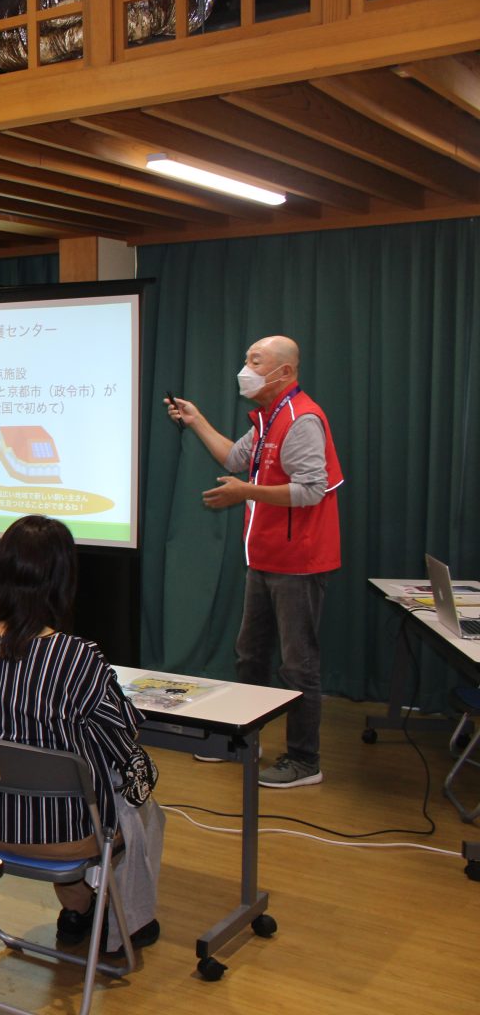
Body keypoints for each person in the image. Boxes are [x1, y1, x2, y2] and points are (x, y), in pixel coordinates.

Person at [0, 515, 164, 952]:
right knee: (143, 809)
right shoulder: (77, 657)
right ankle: (130, 924)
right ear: (63, 580)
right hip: (68, 834)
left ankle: (78, 909)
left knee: (48, 783)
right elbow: (125, 735)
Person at [167, 335, 343, 789]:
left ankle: (305, 760)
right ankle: (244, 742)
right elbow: (234, 457)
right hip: (264, 557)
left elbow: (311, 489)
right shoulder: (268, 418)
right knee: (250, 654)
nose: (244, 367)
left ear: (283, 372)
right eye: (246, 357)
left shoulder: (301, 419)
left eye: (254, 360)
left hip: (298, 562)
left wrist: (246, 492)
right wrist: (196, 420)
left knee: (298, 665)